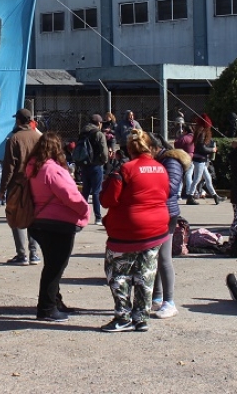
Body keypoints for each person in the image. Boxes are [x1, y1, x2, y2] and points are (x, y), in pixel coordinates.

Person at [99, 129, 171, 332]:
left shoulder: (124, 170)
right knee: (146, 273)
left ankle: (123, 317)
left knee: (118, 273)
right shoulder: (160, 168)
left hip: (127, 230)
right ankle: (141, 317)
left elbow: (108, 200)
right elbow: (166, 193)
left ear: (129, 149)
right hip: (156, 229)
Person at [24, 132, 89, 322]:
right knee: (55, 267)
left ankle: (55, 301)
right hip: (59, 223)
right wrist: (84, 211)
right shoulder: (53, 170)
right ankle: (46, 308)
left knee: (52, 264)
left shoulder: (32, 167)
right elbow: (70, 196)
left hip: (38, 221)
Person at [150, 137, 189, 319]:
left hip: (167, 213)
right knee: (156, 256)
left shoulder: (171, 161)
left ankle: (169, 302)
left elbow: (171, 187)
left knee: (164, 257)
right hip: (159, 211)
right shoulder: (160, 160)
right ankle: (157, 298)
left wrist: (147, 184)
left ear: (155, 147)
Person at [0, 108, 41, 264]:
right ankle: (34, 253)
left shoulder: (14, 139)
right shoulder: (38, 137)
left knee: (16, 217)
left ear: (17, 120)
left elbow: (9, 167)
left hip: (18, 184)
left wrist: (2, 189)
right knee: (33, 218)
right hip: (36, 184)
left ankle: (21, 254)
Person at [76, 113, 109, 225]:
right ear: (99, 123)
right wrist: (104, 161)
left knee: (85, 190)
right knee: (96, 191)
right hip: (96, 165)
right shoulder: (99, 134)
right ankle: (98, 217)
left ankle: (81, 214)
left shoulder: (83, 132)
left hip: (84, 164)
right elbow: (104, 151)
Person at [191, 114, 222, 204]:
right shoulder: (203, 133)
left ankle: (215, 196)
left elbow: (200, 147)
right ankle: (190, 196)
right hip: (200, 160)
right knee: (197, 179)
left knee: (208, 179)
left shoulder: (200, 132)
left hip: (200, 159)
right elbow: (202, 148)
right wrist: (212, 149)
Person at [174, 124, 197, 203]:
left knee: (180, 176)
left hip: (184, 158)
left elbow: (176, 144)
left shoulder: (185, 138)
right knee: (189, 176)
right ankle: (190, 193)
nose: (182, 132)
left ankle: (178, 194)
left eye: (183, 131)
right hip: (192, 158)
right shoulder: (194, 137)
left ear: (186, 131)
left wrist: (178, 138)